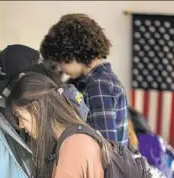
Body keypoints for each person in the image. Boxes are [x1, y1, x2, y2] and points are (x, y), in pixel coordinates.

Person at [40, 13, 129, 146]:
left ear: (72, 53)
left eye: (60, 61)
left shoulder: (98, 85)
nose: (60, 68)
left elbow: (106, 146)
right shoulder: (88, 82)